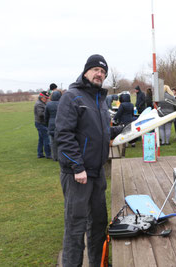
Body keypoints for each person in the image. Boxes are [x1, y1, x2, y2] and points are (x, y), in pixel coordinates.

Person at [55, 54, 123, 267]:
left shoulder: (100, 100)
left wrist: (127, 130)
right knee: (76, 227)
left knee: (98, 223)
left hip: (97, 172)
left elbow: (101, 132)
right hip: (78, 175)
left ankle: (98, 263)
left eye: (103, 72)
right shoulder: (72, 97)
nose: (100, 74)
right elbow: (63, 135)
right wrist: (77, 166)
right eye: (96, 70)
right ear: (86, 71)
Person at [44, 90, 61, 161]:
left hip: (51, 124)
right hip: (60, 124)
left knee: (53, 143)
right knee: (61, 142)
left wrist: (47, 124)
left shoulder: (48, 104)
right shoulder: (62, 103)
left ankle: (55, 157)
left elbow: (46, 116)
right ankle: (61, 157)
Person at [34, 91, 52, 159]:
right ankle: (48, 154)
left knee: (41, 139)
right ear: (42, 97)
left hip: (41, 123)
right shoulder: (39, 104)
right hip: (40, 124)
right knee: (46, 138)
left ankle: (40, 154)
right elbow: (40, 114)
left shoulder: (42, 103)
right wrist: (48, 113)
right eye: (46, 98)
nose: (47, 99)